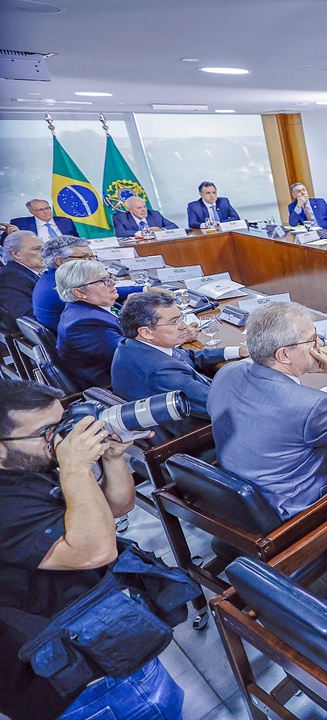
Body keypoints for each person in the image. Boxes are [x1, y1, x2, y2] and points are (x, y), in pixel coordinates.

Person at [0, 380, 185, 720]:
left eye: (63, 422)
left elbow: (114, 508)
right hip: (77, 682)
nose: (63, 438)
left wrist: (114, 459)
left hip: (102, 636)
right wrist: (74, 468)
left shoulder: (25, 467)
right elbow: (96, 551)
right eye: (47, 431)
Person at [207, 301, 327, 519]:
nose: (321, 345)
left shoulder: (227, 372)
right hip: (294, 508)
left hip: (238, 496)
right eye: (313, 339)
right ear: (284, 355)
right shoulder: (311, 406)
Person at [112, 293, 247, 437]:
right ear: (146, 332)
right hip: (200, 436)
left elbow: (187, 356)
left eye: (181, 318)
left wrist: (238, 351)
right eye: (174, 322)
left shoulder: (132, 345)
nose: (183, 326)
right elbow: (222, 406)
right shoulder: (161, 371)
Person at [33, 236, 144, 334]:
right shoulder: (58, 289)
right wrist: (130, 308)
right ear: (60, 261)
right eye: (85, 257)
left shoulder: (50, 277)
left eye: (92, 256)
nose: (92, 262)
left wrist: (144, 289)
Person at [55, 260, 123, 389]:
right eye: (103, 281)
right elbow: (132, 354)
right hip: (117, 387)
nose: (113, 282)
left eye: (109, 277)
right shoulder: (83, 325)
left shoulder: (93, 307)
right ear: (79, 292)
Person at [0, 231, 45, 331]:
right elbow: (27, 319)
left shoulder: (21, 272)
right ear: (16, 254)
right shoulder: (10, 278)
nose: (45, 253)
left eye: (44, 249)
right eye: (37, 249)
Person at [112, 196, 179, 239]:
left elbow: (174, 226)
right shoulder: (121, 218)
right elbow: (120, 233)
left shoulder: (154, 214)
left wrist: (161, 229)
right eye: (139, 208)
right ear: (130, 209)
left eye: (144, 207)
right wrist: (140, 233)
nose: (143, 210)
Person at [10, 199, 79, 239]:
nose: (46, 212)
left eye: (47, 208)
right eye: (40, 210)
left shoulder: (65, 222)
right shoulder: (21, 224)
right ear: (32, 212)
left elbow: (76, 239)